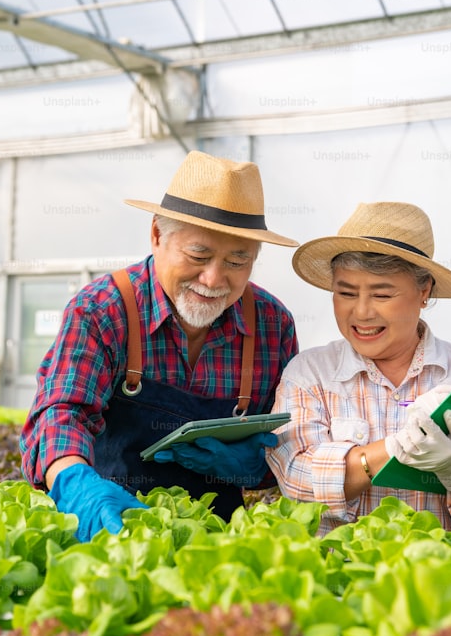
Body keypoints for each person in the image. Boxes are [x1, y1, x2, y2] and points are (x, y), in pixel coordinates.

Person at [20, 150, 300, 542]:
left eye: (238, 262)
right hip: (106, 530)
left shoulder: (272, 325)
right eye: (198, 254)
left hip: (215, 543)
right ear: (156, 235)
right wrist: (75, 484)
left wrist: (262, 465)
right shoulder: (102, 310)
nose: (213, 278)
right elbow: (60, 412)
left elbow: (294, 439)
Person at [265, 201, 451, 540]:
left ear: (423, 292)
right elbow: (297, 481)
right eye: (346, 292)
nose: (361, 312)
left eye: (382, 294)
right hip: (336, 579)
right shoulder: (310, 374)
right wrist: (394, 448)